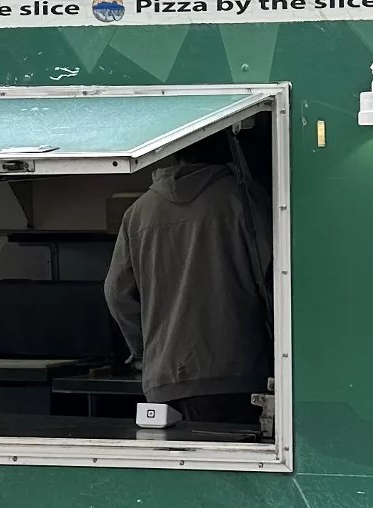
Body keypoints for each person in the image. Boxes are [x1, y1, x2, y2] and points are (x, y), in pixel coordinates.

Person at [103, 134, 271, 426]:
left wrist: (148, 350)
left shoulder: (139, 212)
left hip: (163, 382)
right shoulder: (243, 199)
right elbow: (273, 280)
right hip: (236, 376)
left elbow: (116, 293)